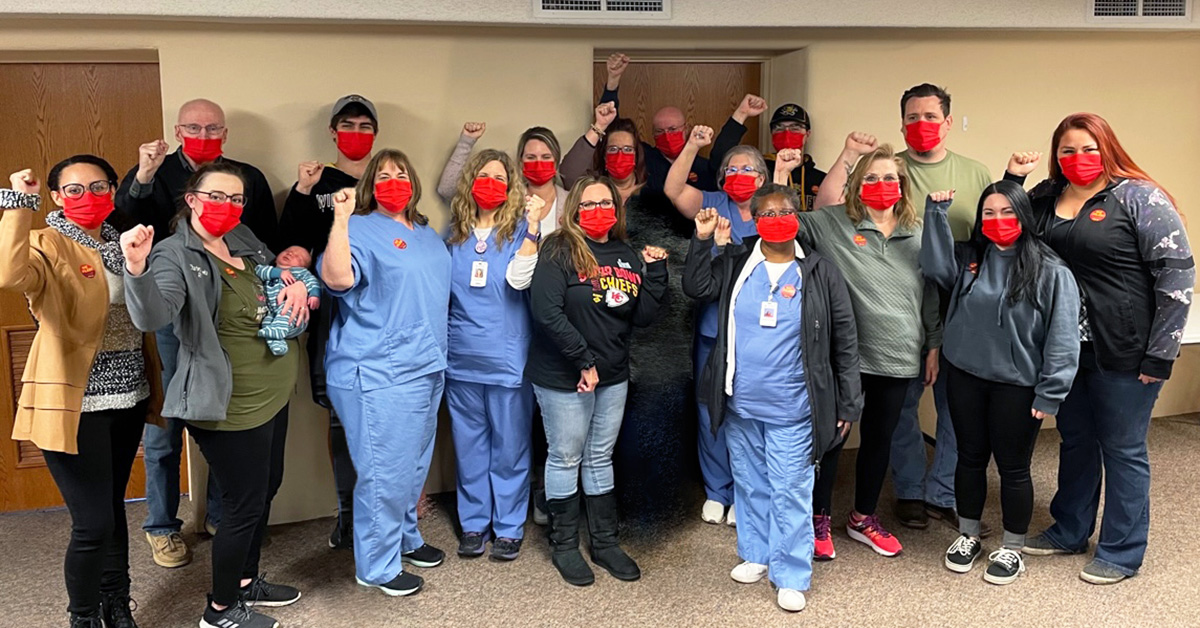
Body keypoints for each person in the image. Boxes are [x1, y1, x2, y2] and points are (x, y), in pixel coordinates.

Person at [1008, 113, 1194, 585]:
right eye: (1068, 150)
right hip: (1066, 349)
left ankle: (1122, 551)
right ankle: (1069, 528)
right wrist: (1014, 178)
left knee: (1123, 448)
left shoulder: (1138, 196)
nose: (1079, 158)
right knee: (1076, 441)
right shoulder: (1047, 196)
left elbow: (1176, 276)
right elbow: (1005, 220)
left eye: (1089, 148)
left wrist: (1162, 354)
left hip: (1126, 350)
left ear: (1107, 147)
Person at [123, 161, 307, 628]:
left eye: (236, 198)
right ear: (192, 199)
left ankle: (246, 582)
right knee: (242, 506)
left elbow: (279, 280)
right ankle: (220, 610)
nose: (227, 206)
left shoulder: (244, 239)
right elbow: (152, 315)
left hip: (273, 391)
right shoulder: (173, 254)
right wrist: (136, 266)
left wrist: (301, 291)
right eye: (216, 196)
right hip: (227, 403)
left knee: (265, 489)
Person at [815, 84, 995, 534]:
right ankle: (908, 492)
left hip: (957, 311)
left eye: (931, 117)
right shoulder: (867, 197)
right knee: (891, 418)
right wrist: (849, 155)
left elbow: (990, 236)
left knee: (957, 410)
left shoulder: (971, 176)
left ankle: (942, 495)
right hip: (881, 327)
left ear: (948, 121)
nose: (922, 125)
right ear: (901, 123)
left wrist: (934, 340)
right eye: (913, 117)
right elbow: (827, 208)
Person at [115, 98, 280, 567]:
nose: (204, 135)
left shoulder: (246, 177)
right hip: (177, 314)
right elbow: (124, 219)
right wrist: (144, 175)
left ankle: (225, 520)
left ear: (225, 133)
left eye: (213, 128)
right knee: (172, 425)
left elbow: (262, 245)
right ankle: (162, 526)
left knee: (233, 424)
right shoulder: (156, 171)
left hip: (234, 320)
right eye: (193, 127)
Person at [682, 184, 862, 612]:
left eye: (785, 210)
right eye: (767, 213)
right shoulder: (739, 262)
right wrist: (704, 239)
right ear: (755, 220)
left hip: (794, 407)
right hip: (741, 403)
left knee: (791, 490)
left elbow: (845, 340)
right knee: (750, 483)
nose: (777, 218)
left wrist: (848, 402)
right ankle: (757, 554)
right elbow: (695, 286)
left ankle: (792, 572)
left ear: (797, 216)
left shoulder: (819, 271)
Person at [2, 160, 154, 628]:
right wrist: (17, 203)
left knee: (112, 509)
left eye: (99, 185)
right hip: (75, 402)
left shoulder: (122, 239)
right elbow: (8, 276)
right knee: (91, 524)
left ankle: (116, 604)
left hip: (129, 394)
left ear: (112, 189)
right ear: (54, 195)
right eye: (74, 188)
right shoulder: (45, 243)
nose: (88, 194)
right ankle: (83, 617)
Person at [776, 146, 940, 560]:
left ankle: (863, 517)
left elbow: (931, 295)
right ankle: (818, 518)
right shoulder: (832, 223)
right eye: (871, 178)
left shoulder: (919, 234)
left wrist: (933, 346)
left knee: (880, 440)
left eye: (890, 179)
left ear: (902, 187)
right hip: (846, 357)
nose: (881, 186)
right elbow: (778, 219)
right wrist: (782, 172)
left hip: (901, 355)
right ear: (856, 185)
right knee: (832, 440)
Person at [920, 182, 1080, 585]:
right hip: (965, 377)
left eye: (1007, 212)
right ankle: (968, 535)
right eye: (988, 213)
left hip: (1018, 385)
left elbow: (1063, 337)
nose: (998, 221)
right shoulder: (971, 258)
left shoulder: (1051, 269)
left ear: (1023, 216)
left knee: (1013, 468)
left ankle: (1012, 546)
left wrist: (1051, 392)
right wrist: (936, 215)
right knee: (969, 459)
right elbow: (935, 267)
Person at [527, 175, 670, 586]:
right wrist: (583, 361)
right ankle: (565, 545)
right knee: (566, 456)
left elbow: (640, 316)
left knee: (598, 457)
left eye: (605, 203)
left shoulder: (624, 251)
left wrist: (656, 273)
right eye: (587, 205)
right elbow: (546, 312)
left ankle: (605, 543)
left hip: (612, 375)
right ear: (574, 212)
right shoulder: (559, 247)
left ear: (616, 208)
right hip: (563, 375)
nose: (597, 211)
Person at [320, 149, 450, 597]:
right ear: (369, 186)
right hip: (377, 368)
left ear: (413, 181)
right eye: (383, 175)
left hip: (427, 364)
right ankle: (376, 565)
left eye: (400, 174)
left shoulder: (427, 234)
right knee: (386, 471)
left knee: (413, 466)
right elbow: (337, 280)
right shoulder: (358, 228)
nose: (393, 181)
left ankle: (406, 539)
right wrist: (341, 219)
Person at [277, 94, 379, 551]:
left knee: (385, 413)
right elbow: (288, 247)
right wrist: (301, 190)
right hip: (332, 316)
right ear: (333, 132)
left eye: (365, 125)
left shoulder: (387, 180)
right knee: (340, 418)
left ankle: (386, 510)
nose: (356, 133)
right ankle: (349, 515)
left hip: (381, 312)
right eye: (348, 125)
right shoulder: (316, 184)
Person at [444, 149, 551, 560]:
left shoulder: (523, 231)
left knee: (510, 446)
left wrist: (534, 229)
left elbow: (519, 280)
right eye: (483, 175)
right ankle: (474, 523)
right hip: (462, 360)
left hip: (508, 360)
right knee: (469, 446)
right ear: (470, 182)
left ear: (511, 188)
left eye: (499, 177)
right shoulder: (453, 237)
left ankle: (508, 526)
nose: (491, 183)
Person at [665, 125, 768, 525]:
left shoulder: (770, 213)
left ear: (761, 178)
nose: (737, 176)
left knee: (750, 415)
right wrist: (693, 145)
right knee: (711, 412)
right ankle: (717, 489)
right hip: (712, 330)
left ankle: (746, 491)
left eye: (747, 170)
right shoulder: (711, 203)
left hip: (758, 336)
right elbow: (674, 190)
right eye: (730, 169)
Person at [596, 52, 718, 194]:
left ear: (686, 129)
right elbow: (611, 126)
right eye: (660, 131)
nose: (666, 135)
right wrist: (613, 81)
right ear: (653, 134)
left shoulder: (704, 167)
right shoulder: (646, 157)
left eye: (672, 129)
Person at [436, 123, 568, 233]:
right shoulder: (507, 196)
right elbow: (447, 189)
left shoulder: (570, 202)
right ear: (521, 162)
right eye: (531, 157)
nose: (538, 163)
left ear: (556, 161)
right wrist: (466, 142)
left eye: (546, 157)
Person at [710, 95, 827, 211]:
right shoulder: (759, 171)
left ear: (807, 134)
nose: (786, 133)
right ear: (772, 134)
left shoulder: (821, 179)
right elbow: (719, 161)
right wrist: (741, 113)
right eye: (779, 128)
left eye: (795, 128)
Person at [254, 246, 321, 356]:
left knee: (287, 307)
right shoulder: (269, 270)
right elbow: (259, 270)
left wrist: (314, 295)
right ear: (276, 258)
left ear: (303, 266)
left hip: (295, 318)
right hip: (274, 314)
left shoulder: (299, 272)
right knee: (267, 321)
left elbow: (312, 282)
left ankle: (279, 330)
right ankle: (278, 344)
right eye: (287, 251)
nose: (290, 254)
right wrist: (279, 273)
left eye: (298, 257)